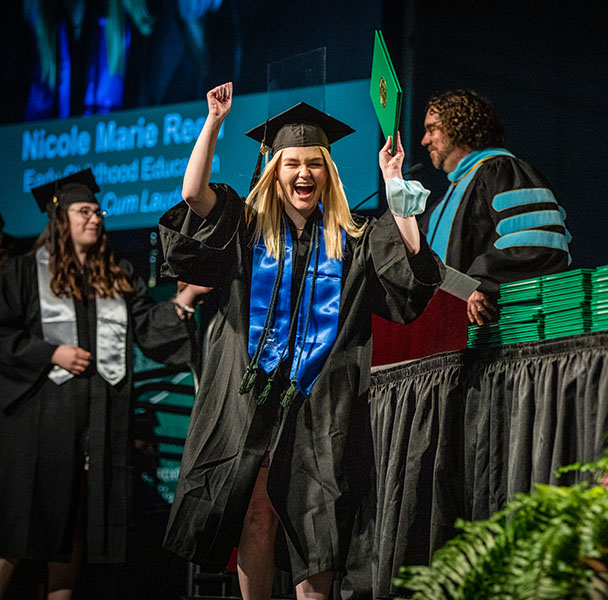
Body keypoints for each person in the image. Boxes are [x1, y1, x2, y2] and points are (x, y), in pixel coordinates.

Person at [159, 82, 441, 600]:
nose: (303, 174)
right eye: (293, 164)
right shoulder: (243, 230)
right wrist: (213, 122)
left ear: (327, 174)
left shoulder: (353, 239)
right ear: (275, 171)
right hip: (251, 402)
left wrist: (395, 182)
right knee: (257, 517)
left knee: (320, 529)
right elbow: (193, 196)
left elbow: (412, 276)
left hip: (320, 407)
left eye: (314, 164)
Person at [0, 169, 204, 600]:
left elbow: (149, 328)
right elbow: (2, 333)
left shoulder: (117, 275)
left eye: (98, 211)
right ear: (60, 219)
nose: (95, 218)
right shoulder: (23, 273)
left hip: (97, 424)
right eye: (83, 211)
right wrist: (48, 353)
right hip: (40, 427)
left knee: (74, 526)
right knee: (19, 533)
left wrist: (184, 300)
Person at [416, 89, 571, 325]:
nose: (424, 141)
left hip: (500, 333)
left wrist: (482, 283)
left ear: (459, 127)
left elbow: (536, 243)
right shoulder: (441, 204)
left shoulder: (504, 172)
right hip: (441, 336)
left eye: (432, 129)